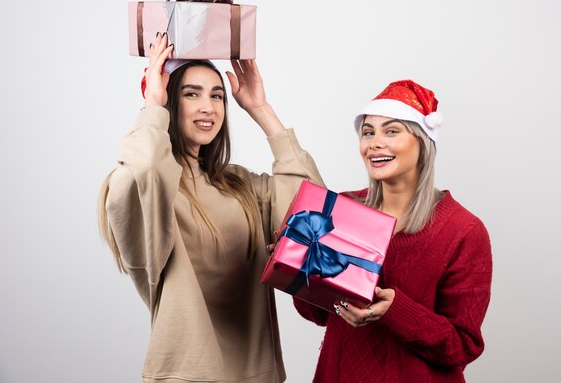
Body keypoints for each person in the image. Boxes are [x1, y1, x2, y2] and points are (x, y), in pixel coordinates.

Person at [98, 32, 323, 383]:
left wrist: (261, 110)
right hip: (187, 374)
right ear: (171, 103)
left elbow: (313, 212)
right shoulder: (143, 188)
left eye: (217, 95)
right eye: (191, 94)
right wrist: (153, 103)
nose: (209, 106)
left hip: (256, 373)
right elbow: (144, 170)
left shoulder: (241, 185)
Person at [293, 80, 493, 382]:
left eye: (391, 130)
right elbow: (320, 315)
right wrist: (297, 267)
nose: (374, 143)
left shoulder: (463, 230)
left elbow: (462, 346)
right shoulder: (343, 209)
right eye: (368, 132)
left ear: (422, 141)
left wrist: (394, 311)